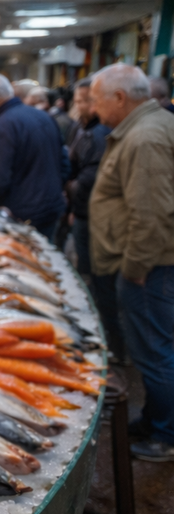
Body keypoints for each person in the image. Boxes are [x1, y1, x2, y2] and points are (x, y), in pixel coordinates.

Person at [88, 63, 174, 461]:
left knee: (155, 350)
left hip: (150, 268)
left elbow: (151, 213)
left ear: (119, 98)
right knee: (152, 347)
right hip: (149, 264)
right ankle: (157, 418)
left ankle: (165, 434)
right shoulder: (144, 129)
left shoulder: (144, 138)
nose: (92, 108)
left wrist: (136, 267)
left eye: (95, 99)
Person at [0, 72, 67, 241]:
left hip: (21, 215)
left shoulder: (0, 127)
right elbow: (64, 164)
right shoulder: (43, 116)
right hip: (51, 209)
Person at [66, 78, 123, 360]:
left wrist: (72, 189)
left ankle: (111, 345)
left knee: (101, 282)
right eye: (76, 101)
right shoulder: (84, 128)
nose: (79, 107)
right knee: (92, 277)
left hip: (96, 220)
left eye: (84, 101)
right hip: (86, 214)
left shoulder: (100, 134)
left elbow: (91, 177)